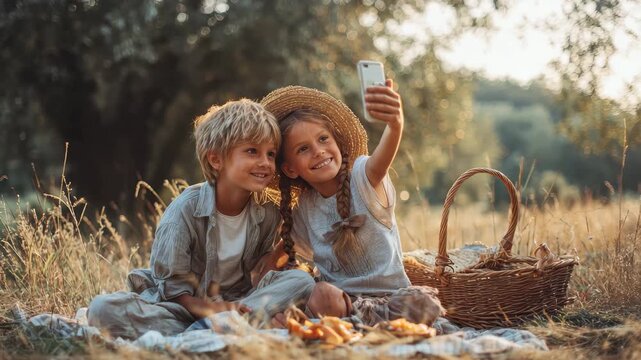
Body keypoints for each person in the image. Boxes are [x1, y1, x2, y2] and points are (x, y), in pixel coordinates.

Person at [88, 99, 315, 339]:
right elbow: (172, 289)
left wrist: (277, 265)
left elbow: (259, 275)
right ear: (216, 160)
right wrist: (213, 310)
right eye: (252, 151)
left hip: (240, 303)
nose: (266, 163)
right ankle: (221, 329)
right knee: (103, 310)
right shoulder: (185, 210)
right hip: (184, 308)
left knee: (302, 281)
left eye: (270, 154)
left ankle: (212, 330)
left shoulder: (267, 212)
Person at [261, 82, 445, 326]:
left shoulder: (362, 177)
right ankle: (330, 326)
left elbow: (383, 159)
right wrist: (262, 288)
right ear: (290, 169)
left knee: (422, 305)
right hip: (340, 305)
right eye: (303, 148)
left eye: (323, 139)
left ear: (337, 142)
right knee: (315, 294)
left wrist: (395, 124)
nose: (319, 151)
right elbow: (281, 252)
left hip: (389, 303)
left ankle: (342, 327)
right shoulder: (305, 207)